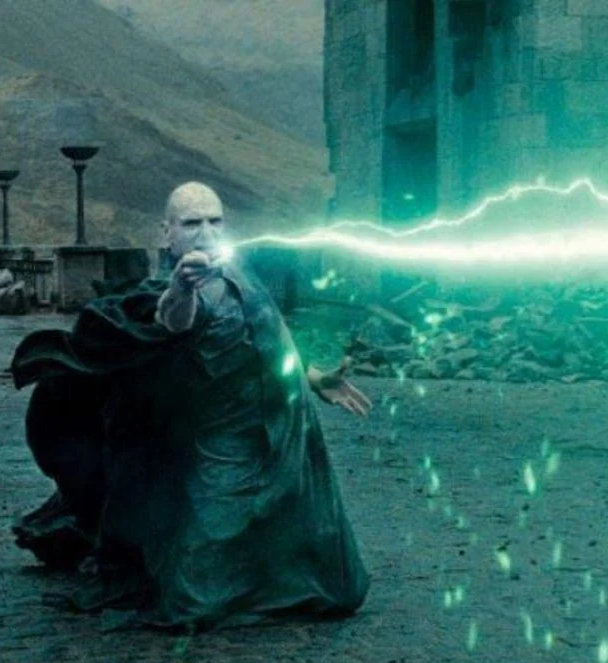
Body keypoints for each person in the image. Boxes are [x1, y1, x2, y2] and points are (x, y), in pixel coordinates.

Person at [11, 181, 372, 631]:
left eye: (214, 221)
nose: (205, 232)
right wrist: (181, 286)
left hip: (279, 439)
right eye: (191, 223)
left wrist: (313, 377)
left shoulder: (241, 274)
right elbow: (171, 320)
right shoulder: (169, 289)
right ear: (167, 233)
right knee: (196, 597)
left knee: (335, 585)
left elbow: (264, 336)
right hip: (220, 446)